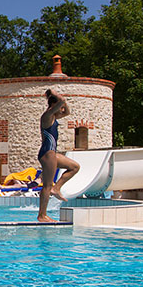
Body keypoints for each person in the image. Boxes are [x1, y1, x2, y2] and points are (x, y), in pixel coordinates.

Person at [36, 89, 81, 222]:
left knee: (75, 167)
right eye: (59, 107)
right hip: (47, 154)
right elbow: (62, 101)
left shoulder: (54, 117)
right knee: (47, 185)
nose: (61, 109)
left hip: (53, 154)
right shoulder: (47, 116)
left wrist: (60, 102)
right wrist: (52, 93)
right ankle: (42, 215)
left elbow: (67, 112)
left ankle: (57, 188)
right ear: (53, 106)